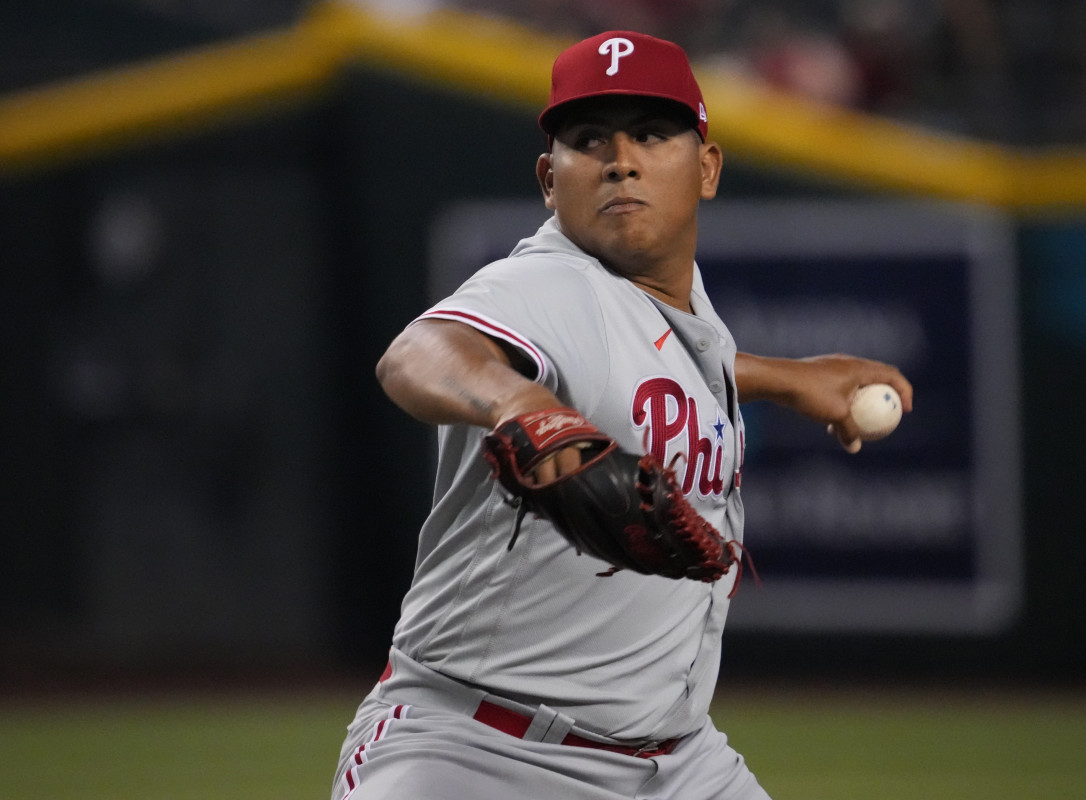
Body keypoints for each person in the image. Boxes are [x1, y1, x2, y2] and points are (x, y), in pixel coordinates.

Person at [330, 29, 913, 800]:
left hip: (678, 764)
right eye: (587, 139)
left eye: (650, 132)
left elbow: (647, 367)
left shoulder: (676, 309)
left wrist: (783, 378)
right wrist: (523, 408)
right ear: (549, 178)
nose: (620, 159)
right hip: (477, 753)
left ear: (706, 168)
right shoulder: (544, 286)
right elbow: (419, 351)